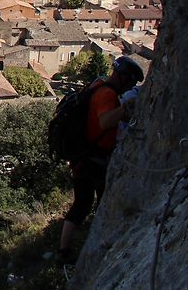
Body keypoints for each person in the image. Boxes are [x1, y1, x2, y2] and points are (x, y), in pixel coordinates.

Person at [58, 55, 145, 262]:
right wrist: (124, 110)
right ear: (124, 78)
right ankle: (98, 245)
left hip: (82, 155)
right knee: (106, 202)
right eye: (131, 82)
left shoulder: (98, 84)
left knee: (81, 204)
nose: (130, 86)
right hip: (94, 158)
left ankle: (64, 252)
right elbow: (105, 121)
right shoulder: (107, 94)